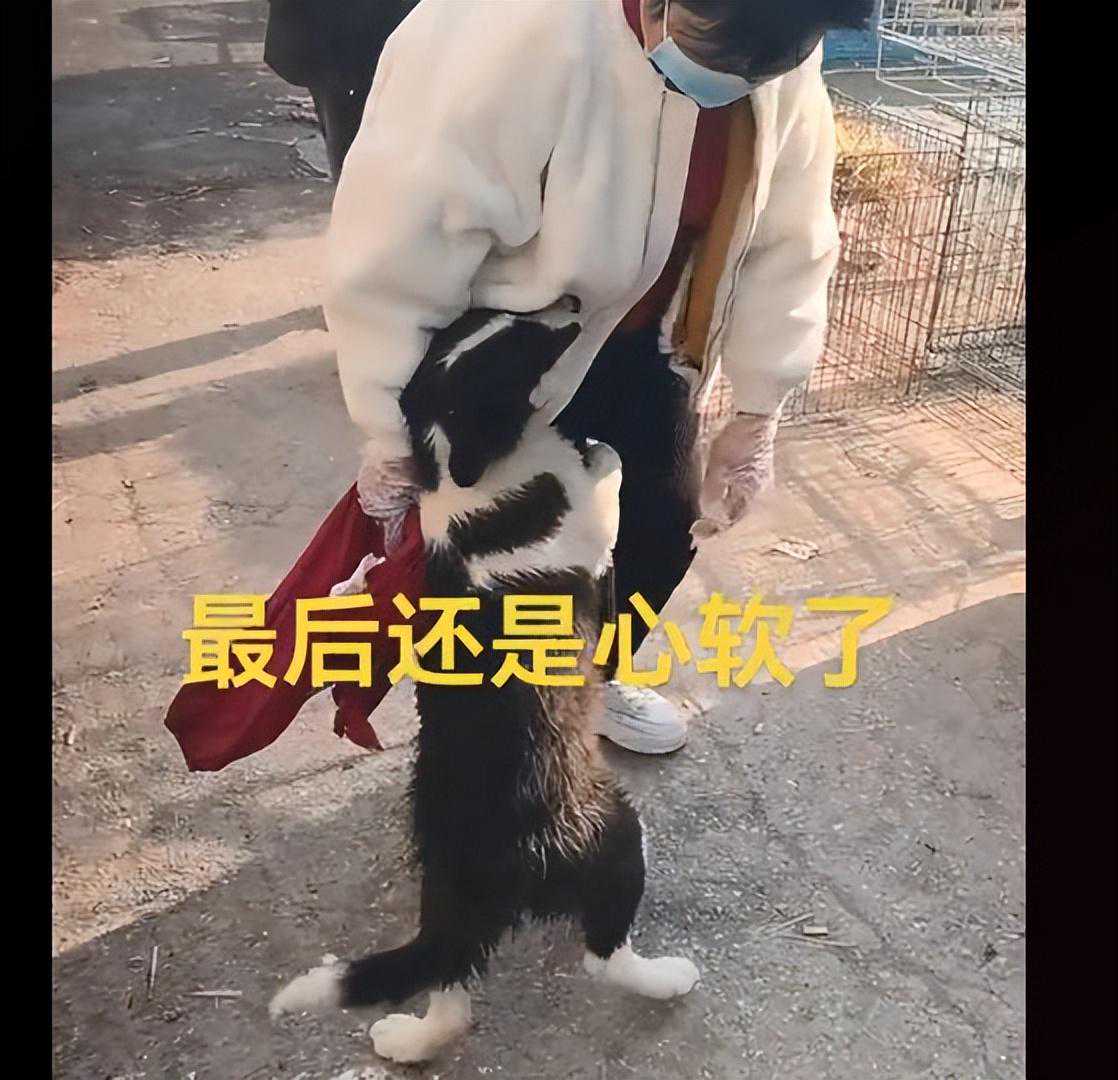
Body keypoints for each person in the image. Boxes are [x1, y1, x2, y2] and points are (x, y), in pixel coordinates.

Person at [267, 0, 875, 754]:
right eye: (709, 50)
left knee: (662, 529)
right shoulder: (501, 32)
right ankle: (477, 752)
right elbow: (396, 246)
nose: (731, 80)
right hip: (506, 357)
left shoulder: (774, 41)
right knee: (492, 579)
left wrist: (760, 406)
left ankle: (588, 681)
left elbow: (790, 230)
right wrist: (389, 425)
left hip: (653, 337)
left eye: (763, 68)